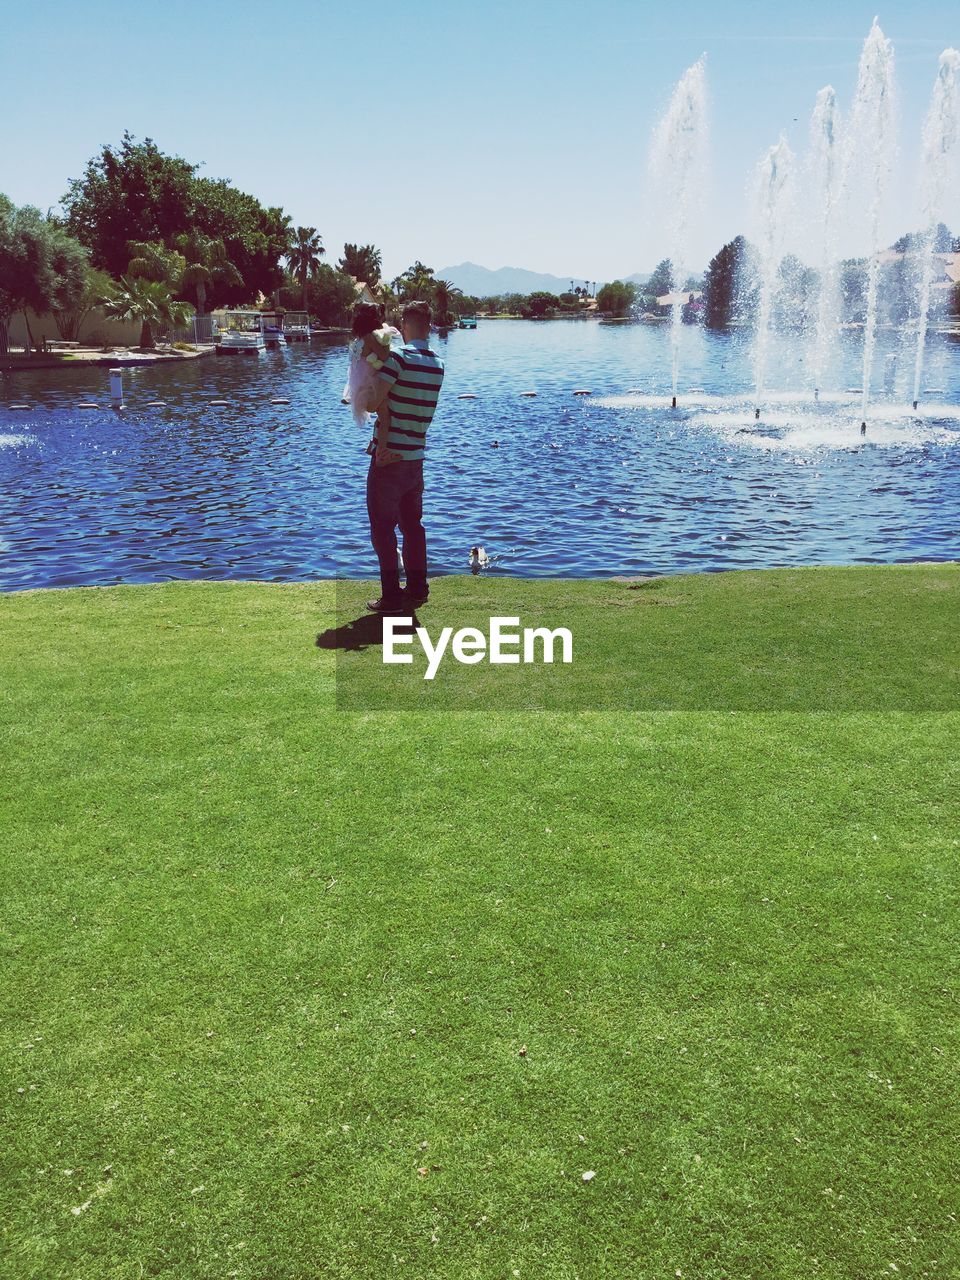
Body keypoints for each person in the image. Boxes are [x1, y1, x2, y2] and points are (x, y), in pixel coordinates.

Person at [364, 299, 445, 614]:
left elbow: (373, 403)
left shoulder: (398, 359)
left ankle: (391, 596)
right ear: (429, 325)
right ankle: (417, 588)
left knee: (382, 527)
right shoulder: (438, 363)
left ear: (406, 324)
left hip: (388, 457)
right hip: (416, 458)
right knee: (413, 525)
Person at [341, 303, 402, 449]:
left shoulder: (358, 340)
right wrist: (387, 337)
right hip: (370, 384)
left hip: (360, 385)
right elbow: (385, 356)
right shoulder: (370, 339)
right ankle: (381, 451)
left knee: (382, 415)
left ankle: (374, 444)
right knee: (385, 417)